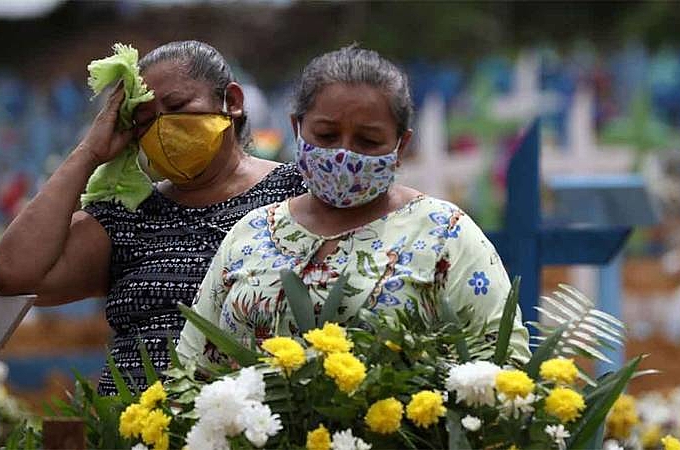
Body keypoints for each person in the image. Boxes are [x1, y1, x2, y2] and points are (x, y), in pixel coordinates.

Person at [177, 46, 530, 365]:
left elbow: (501, 364)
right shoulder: (252, 234)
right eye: (327, 136)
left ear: (401, 144)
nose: (344, 154)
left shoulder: (443, 233)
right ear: (296, 128)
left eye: (368, 140)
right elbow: (194, 367)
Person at [0, 41, 306, 395]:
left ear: (231, 102)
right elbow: (13, 274)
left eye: (176, 107)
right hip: (134, 429)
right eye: (144, 121)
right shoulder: (129, 218)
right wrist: (89, 152)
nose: (162, 128)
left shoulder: (296, 193)